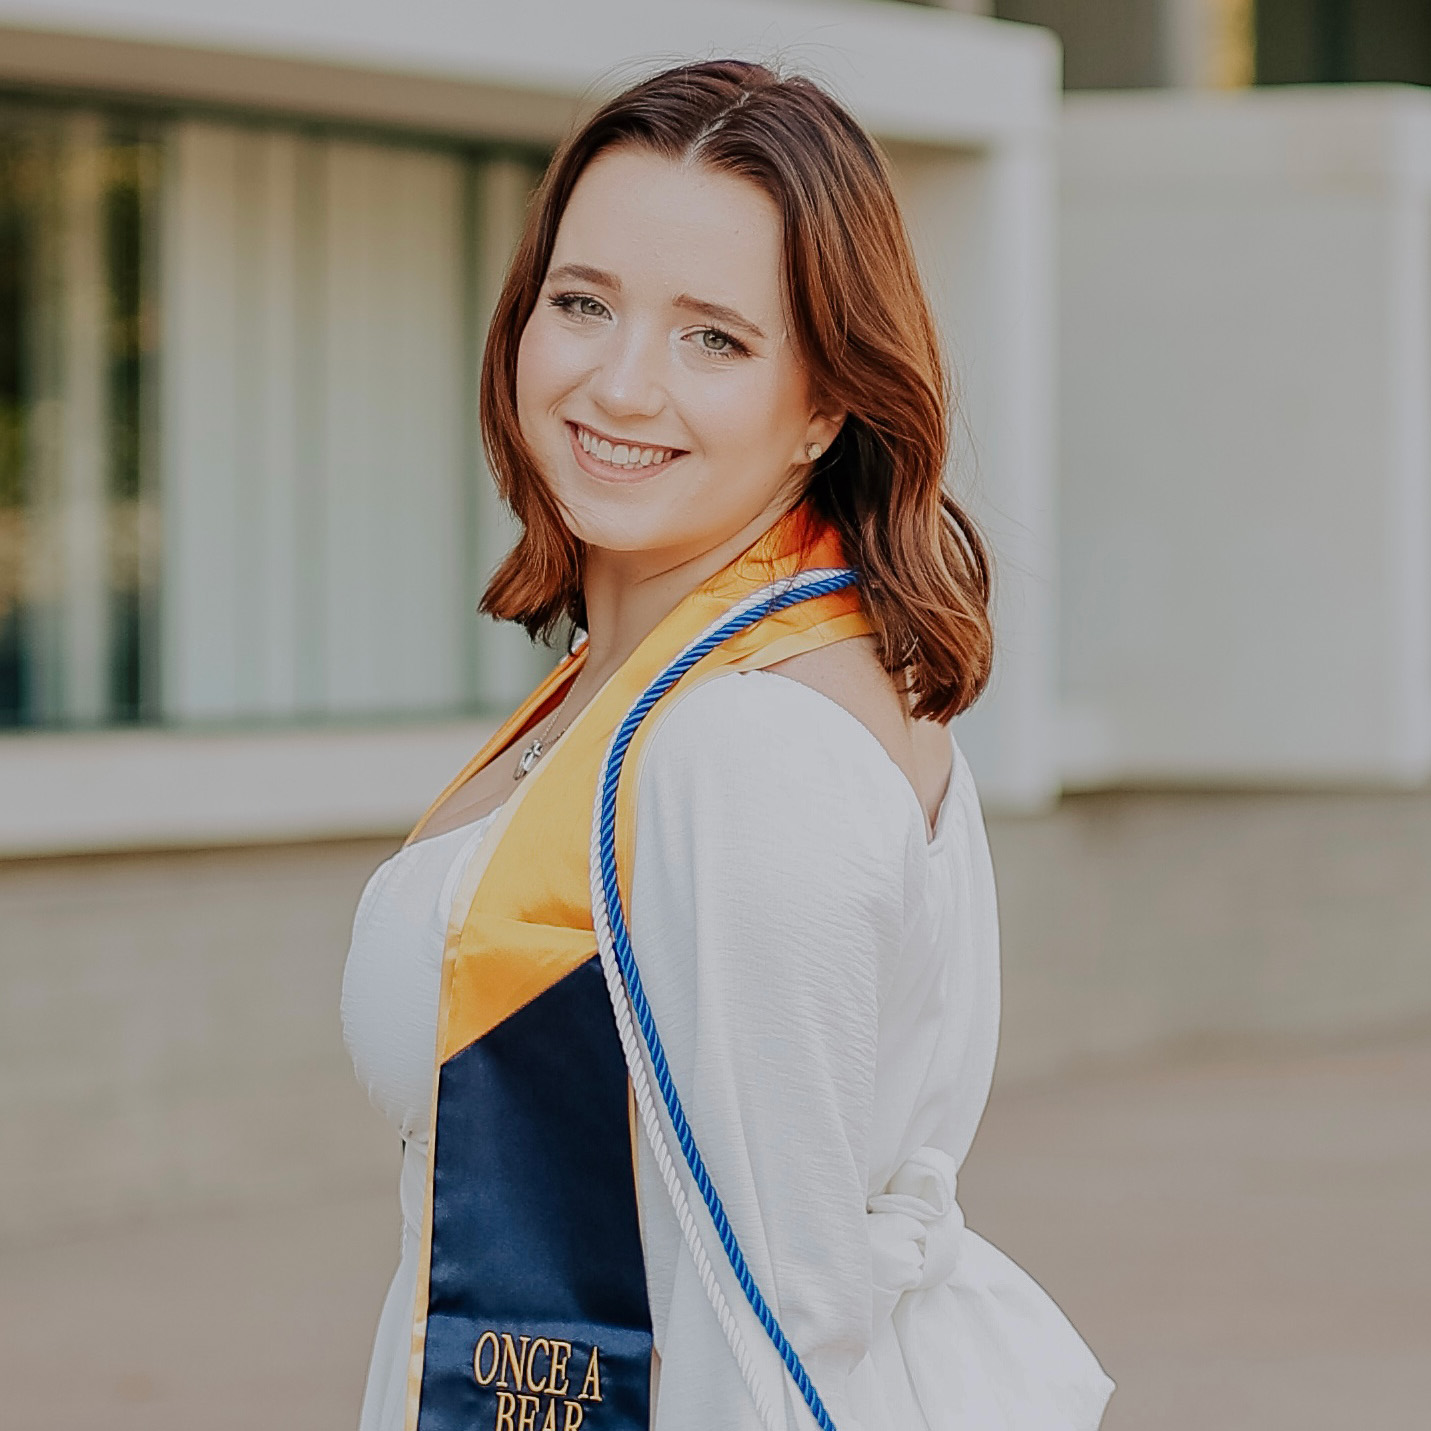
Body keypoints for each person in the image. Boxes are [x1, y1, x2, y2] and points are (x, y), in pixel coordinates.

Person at [341, 59, 1113, 1431]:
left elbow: (782, 1321)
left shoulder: (756, 748)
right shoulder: (646, 689)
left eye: (715, 337)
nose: (622, 384)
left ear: (825, 403)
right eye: (583, 305)